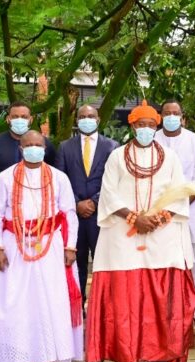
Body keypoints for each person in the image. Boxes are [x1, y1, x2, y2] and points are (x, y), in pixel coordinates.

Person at [85, 100, 195, 362]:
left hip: (162, 236)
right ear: (132, 126)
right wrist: (135, 218)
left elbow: (179, 193)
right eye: (140, 125)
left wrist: (157, 219)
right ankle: (124, 354)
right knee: (124, 298)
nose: (145, 129)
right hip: (123, 236)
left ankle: (160, 354)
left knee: (161, 298)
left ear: (155, 126)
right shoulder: (116, 156)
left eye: (150, 125)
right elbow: (108, 194)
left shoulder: (170, 157)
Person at [0, 130, 83, 362]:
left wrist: (70, 246)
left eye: (39, 144)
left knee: (47, 300)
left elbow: (69, 213)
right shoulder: (5, 178)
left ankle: (48, 355)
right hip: (13, 243)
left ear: (45, 148)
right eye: (29, 144)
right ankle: (9, 358)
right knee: (11, 300)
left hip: (50, 244)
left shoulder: (59, 177)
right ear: (21, 148)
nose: (34, 148)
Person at [154, 99, 195, 329]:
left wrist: (180, 204)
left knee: (194, 260)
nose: (171, 116)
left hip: (189, 209)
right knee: (161, 260)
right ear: (160, 116)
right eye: (167, 113)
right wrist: (163, 207)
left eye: (175, 113)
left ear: (183, 117)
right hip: (158, 211)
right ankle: (164, 308)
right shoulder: (153, 140)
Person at [55, 104, 119, 304]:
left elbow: (115, 180)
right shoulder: (65, 147)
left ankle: (103, 306)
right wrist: (76, 204)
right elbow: (60, 179)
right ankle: (77, 304)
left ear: (98, 120)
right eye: (82, 116)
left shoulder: (112, 146)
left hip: (101, 215)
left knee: (104, 262)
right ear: (77, 120)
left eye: (91, 116)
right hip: (74, 216)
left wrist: (93, 201)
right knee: (76, 263)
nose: (86, 119)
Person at [0, 101, 57, 189]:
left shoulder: (43, 143)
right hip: (4, 197)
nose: (19, 120)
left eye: (24, 117)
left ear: (31, 120)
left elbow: (53, 170)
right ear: (8, 119)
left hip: (37, 195)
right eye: (15, 117)